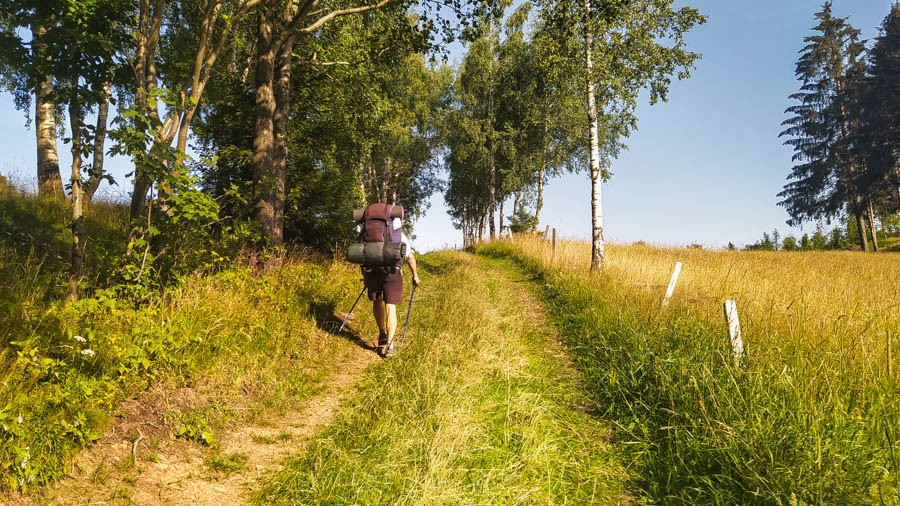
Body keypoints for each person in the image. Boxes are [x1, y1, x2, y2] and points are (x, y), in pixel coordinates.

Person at [361, 211, 420, 357]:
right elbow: (410, 257)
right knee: (390, 306)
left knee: (377, 301)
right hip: (392, 272)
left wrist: (365, 275)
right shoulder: (396, 233)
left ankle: (382, 332)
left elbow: (362, 253)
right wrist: (415, 275)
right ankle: (390, 345)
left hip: (372, 271)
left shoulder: (366, 231)